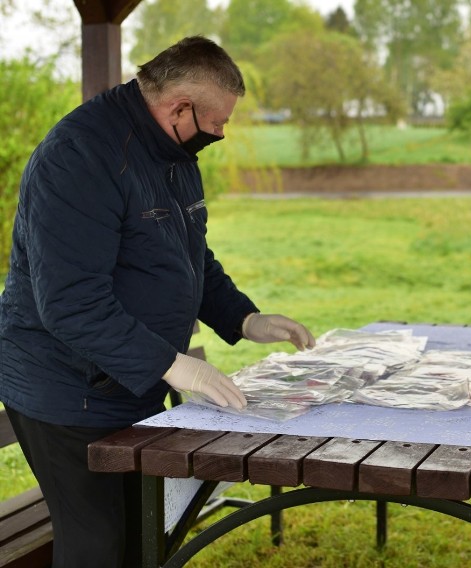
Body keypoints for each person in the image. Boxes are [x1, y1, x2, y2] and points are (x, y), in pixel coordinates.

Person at [0, 36, 315, 567]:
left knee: (146, 534)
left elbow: (187, 256)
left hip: (130, 383)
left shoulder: (172, 150)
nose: (220, 134)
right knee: (97, 542)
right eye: (216, 122)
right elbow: (71, 303)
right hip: (63, 389)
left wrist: (244, 317)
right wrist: (171, 365)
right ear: (178, 107)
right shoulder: (80, 157)